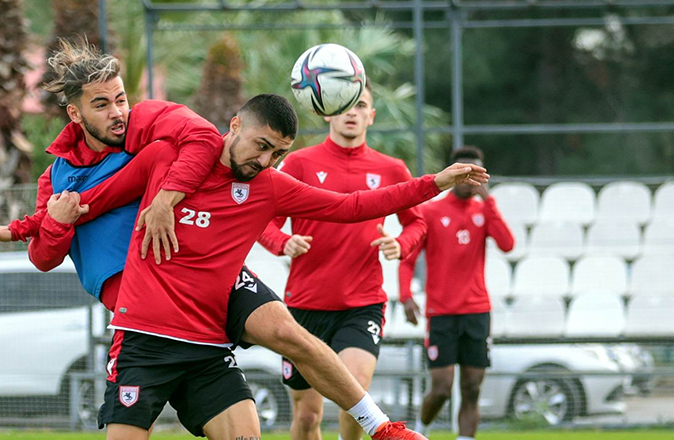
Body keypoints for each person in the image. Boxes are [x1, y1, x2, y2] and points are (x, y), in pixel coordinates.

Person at [0, 40, 434, 440]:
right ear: (74, 111)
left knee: (291, 336)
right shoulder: (58, 179)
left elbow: (205, 141)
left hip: (212, 285)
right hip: (147, 319)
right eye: (102, 104)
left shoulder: (152, 132)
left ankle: (381, 427)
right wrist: (37, 224)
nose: (119, 111)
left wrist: (165, 199)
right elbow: (51, 249)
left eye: (121, 98)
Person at [57, 93, 487, 440]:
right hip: (145, 342)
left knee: (287, 338)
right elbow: (90, 203)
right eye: (262, 146)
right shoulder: (168, 159)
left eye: (278, 153)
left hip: (207, 347)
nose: (265, 161)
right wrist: (24, 228)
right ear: (235, 125)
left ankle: (382, 428)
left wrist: (435, 182)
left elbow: (354, 206)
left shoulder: (269, 186)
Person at [257, 81, 426, 440]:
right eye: (346, 105)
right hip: (304, 307)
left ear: (371, 116)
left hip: (362, 304)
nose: (353, 112)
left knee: (356, 395)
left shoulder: (391, 168)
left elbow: (418, 222)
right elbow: (263, 220)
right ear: (328, 110)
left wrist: (402, 243)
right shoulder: (300, 162)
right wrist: (283, 242)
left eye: (361, 106)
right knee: (306, 417)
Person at [398, 146, 514, 440]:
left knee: (472, 388)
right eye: (464, 172)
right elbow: (407, 258)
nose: (469, 179)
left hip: (477, 312)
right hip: (441, 313)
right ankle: (421, 431)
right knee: (441, 388)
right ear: (453, 174)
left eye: (475, 173)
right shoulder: (431, 211)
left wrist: (489, 201)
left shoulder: (484, 210)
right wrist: (406, 296)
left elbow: (507, 244)